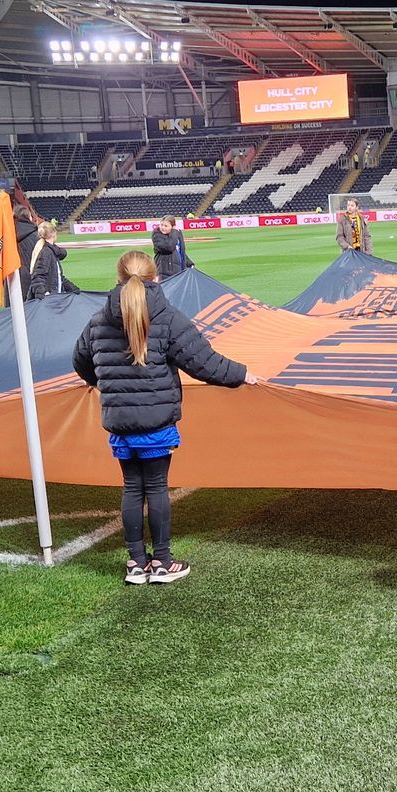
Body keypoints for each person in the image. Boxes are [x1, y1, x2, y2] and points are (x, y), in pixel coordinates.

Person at [72, 249, 256, 584]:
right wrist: (242, 374)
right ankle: (162, 563)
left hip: (119, 422)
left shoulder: (99, 320)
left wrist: (104, 385)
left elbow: (81, 359)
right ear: (155, 277)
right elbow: (204, 362)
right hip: (157, 421)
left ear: (118, 278)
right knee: (156, 487)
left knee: (132, 487)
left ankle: (136, 564)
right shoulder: (168, 317)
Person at [26, 220, 69, 299]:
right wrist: (43, 295)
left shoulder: (50, 250)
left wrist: (72, 288)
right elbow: (38, 276)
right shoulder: (46, 252)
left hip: (53, 295)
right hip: (51, 297)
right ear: (53, 233)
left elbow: (57, 276)